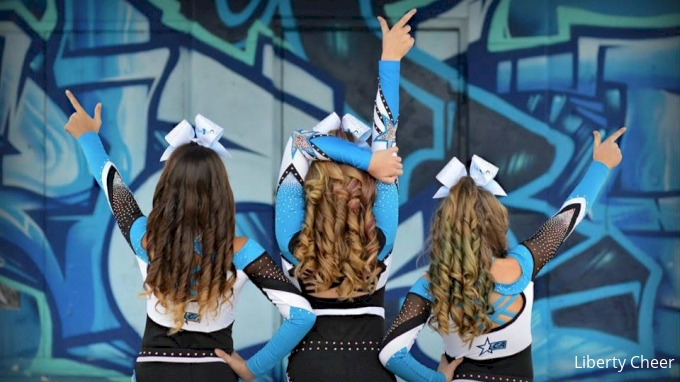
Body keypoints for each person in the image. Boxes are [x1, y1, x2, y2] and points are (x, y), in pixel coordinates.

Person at [63, 91, 318, 382]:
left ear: (167, 189)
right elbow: (302, 315)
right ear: (222, 193)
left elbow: (114, 189)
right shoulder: (241, 251)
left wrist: (88, 136)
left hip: (153, 372)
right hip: (214, 371)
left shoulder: (146, 239)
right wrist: (253, 367)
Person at [379, 127, 627, 382]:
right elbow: (569, 216)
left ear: (443, 228)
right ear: (497, 223)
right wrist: (601, 165)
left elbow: (390, 354)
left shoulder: (432, 283)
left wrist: (437, 380)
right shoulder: (523, 264)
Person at [252, 9, 418, 382]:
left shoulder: (293, 240)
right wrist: (389, 62)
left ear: (313, 186)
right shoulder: (381, 240)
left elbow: (300, 141)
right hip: (370, 370)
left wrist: (369, 159)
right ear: (367, 186)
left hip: (311, 369)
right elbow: (386, 140)